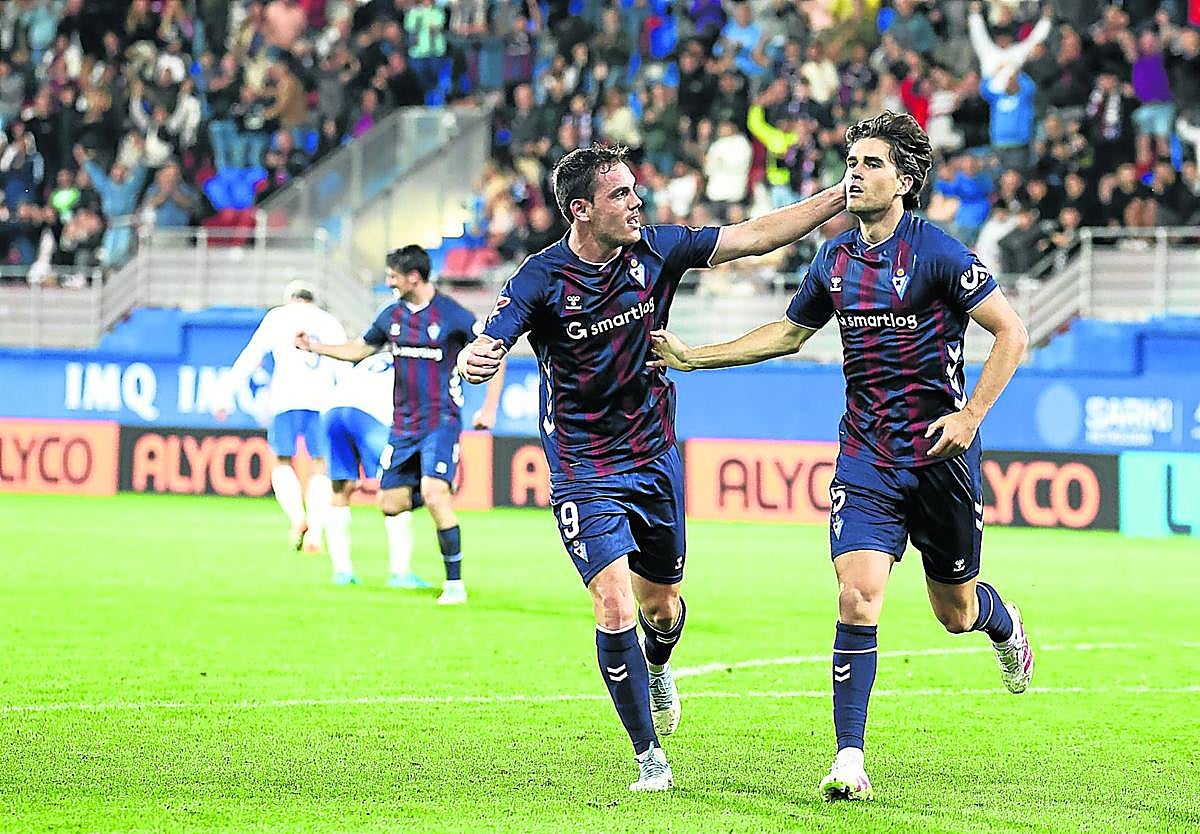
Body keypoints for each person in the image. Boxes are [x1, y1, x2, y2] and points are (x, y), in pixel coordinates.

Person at [647, 112, 1034, 801]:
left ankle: (1003, 626)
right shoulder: (833, 259)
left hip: (939, 459)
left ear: (905, 181)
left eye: (872, 163)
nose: (855, 172)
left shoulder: (941, 253)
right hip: (866, 458)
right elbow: (788, 334)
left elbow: (1012, 331)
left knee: (955, 610)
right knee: (858, 598)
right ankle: (849, 760)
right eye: (851, 161)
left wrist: (971, 416)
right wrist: (694, 358)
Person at [457, 143, 844, 792]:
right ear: (581, 210)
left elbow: (751, 236)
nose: (637, 202)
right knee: (612, 604)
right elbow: (496, 330)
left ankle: (659, 663)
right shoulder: (540, 276)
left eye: (636, 190)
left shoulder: (657, 249)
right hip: (583, 464)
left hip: (654, 453)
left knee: (660, 609)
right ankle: (649, 758)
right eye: (619, 195)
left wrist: (838, 197)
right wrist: (482, 354)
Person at [296, 246, 504, 605]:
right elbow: (361, 348)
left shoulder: (452, 314)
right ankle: (437, 486)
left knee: (436, 497)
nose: (388, 281)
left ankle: (454, 585)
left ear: (414, 277)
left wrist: (488, 408)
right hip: (402, 426)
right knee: (390, 503)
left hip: (441, 421)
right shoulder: (391, 315)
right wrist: (315, 348)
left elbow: (493, 354)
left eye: (393, 275)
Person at [224, 280, 346, 552]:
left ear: (290, 298)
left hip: (285, 399)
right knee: (320, 465)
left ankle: (296, 517)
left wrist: (225, 394)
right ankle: (315, 531)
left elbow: (251, 356)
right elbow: (345, 361)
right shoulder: (329, 322)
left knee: (280, 461)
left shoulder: (278, 317)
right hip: (322, 401)